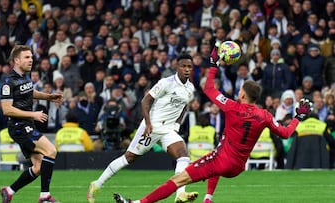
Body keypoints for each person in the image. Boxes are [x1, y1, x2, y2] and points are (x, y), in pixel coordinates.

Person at [113, 45, 312, 203]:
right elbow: (285, 133)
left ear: (243, 94)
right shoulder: (265, 115)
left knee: (179, 179)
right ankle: (208, 198)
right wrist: (298, 118)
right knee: (217, 152)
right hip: (237, 167)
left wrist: (214, 64)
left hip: (222, 161)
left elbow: (208, 88)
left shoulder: (232, 106)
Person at [87, 54, 198, 203]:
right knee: (129, 158)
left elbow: (184, 105)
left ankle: (180, 194)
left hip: (168, 130)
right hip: (153, 127)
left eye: (189, 67)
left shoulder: (190, 88)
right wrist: (148, 123)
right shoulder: (166, 83)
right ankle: (97, 184)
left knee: (183, 156)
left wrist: (176, 125)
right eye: (183, 66)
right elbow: (145, 100)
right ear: (177, 67)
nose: (186, 69)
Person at [0, 45, 63, 203]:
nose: (31, 60)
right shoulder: (8, 82)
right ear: (16, 60)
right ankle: (45, 197)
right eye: (27, 57)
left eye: (32, 57)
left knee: (39, 167)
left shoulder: (23, 78)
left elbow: (30, 92)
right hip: (20, 127)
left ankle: (9, 190)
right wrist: (33, 114)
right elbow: (7, 110)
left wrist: (48, 97)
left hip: (26, 125)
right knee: (51, 150)